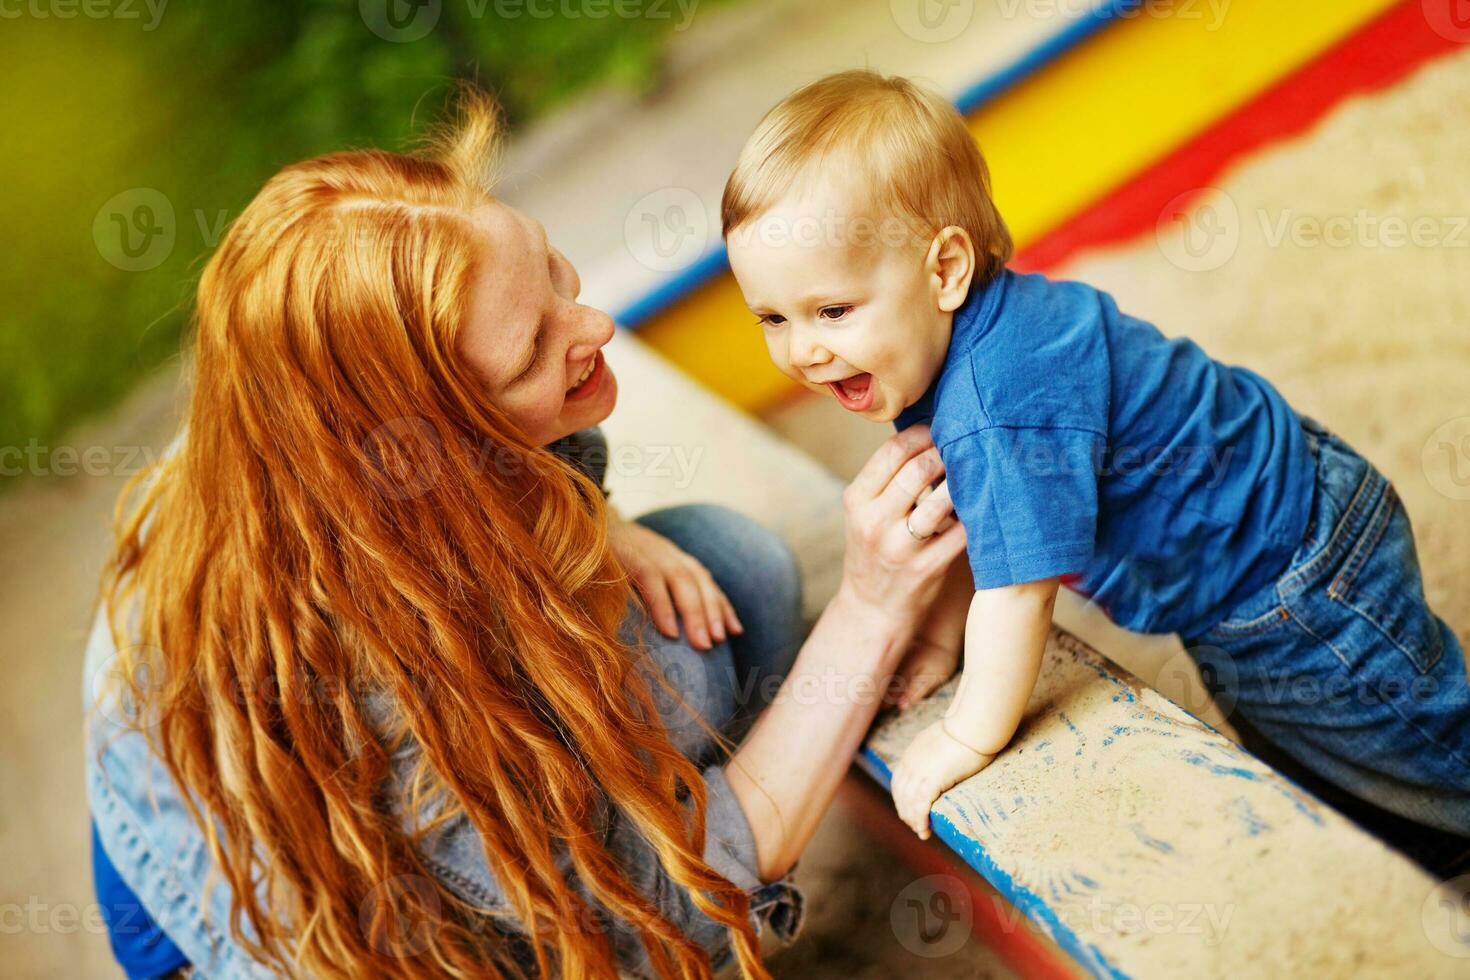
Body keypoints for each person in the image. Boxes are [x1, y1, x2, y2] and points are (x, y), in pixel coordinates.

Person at [84, 90, 968, 979]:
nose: (595, 327)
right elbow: (655, 910)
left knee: (728, 577)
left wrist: (596, 515)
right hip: (244, 894)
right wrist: (871, 609)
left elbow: (532, 447)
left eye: (551, 271)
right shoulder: (379, 683)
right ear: (436, 453)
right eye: (532, 350)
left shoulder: (328, 405)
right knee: (660, 708)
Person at [721, 69, 1470, 870]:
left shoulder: (994, 400)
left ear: (943, 271)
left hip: (1290, 577)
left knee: (1427, 751)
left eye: (832, 311)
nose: (803, 350)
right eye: (773, 317)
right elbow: (977, 520)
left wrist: (968, 732)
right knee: (1337, 773)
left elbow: (1018, 591)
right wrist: (942, 644)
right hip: (1268, 538)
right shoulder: (945, 344)